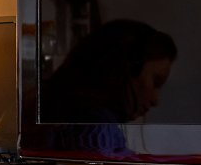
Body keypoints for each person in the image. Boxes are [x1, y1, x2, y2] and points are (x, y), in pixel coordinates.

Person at [41, 19, 177, 154]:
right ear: (130, 66)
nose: (156, 100)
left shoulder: (74, 116)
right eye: (156, 82)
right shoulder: (96, 130)